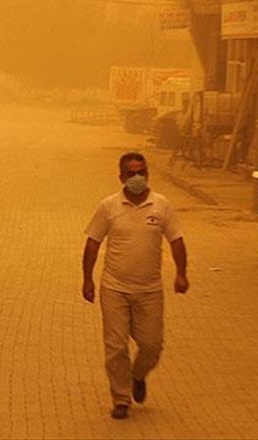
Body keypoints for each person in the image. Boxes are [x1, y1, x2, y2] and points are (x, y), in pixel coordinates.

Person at [81, 151, 189, 420]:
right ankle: (121, 398)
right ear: (121, 177)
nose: (137, 178)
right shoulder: (109, 207)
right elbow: (93, 243)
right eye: (132, 173)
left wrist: (181, 273)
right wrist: (87, 279)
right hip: (114, 288)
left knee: (152, 345)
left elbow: (176, 240)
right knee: (116, 346)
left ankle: (138, 375)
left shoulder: (161, 206)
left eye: (142, 172)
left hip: (150, 290)